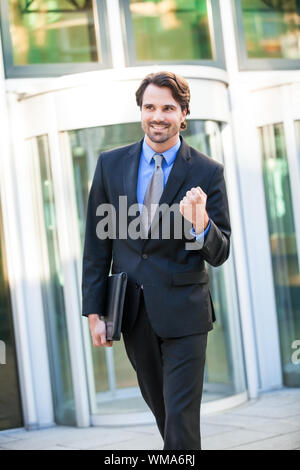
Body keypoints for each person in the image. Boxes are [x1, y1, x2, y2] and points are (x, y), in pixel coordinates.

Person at [82, 71, 231, 450]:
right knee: (164, 413)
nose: (157, 116)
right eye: (150, 107)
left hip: (185, 314)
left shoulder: (206, 171)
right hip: (134, 313)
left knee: (181, 420)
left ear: (183, 114)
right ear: (141, 111)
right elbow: (98, 245)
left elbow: (220, 252)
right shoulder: (110, 165)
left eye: (168, 108)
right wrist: (95, 313)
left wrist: (201, 226)